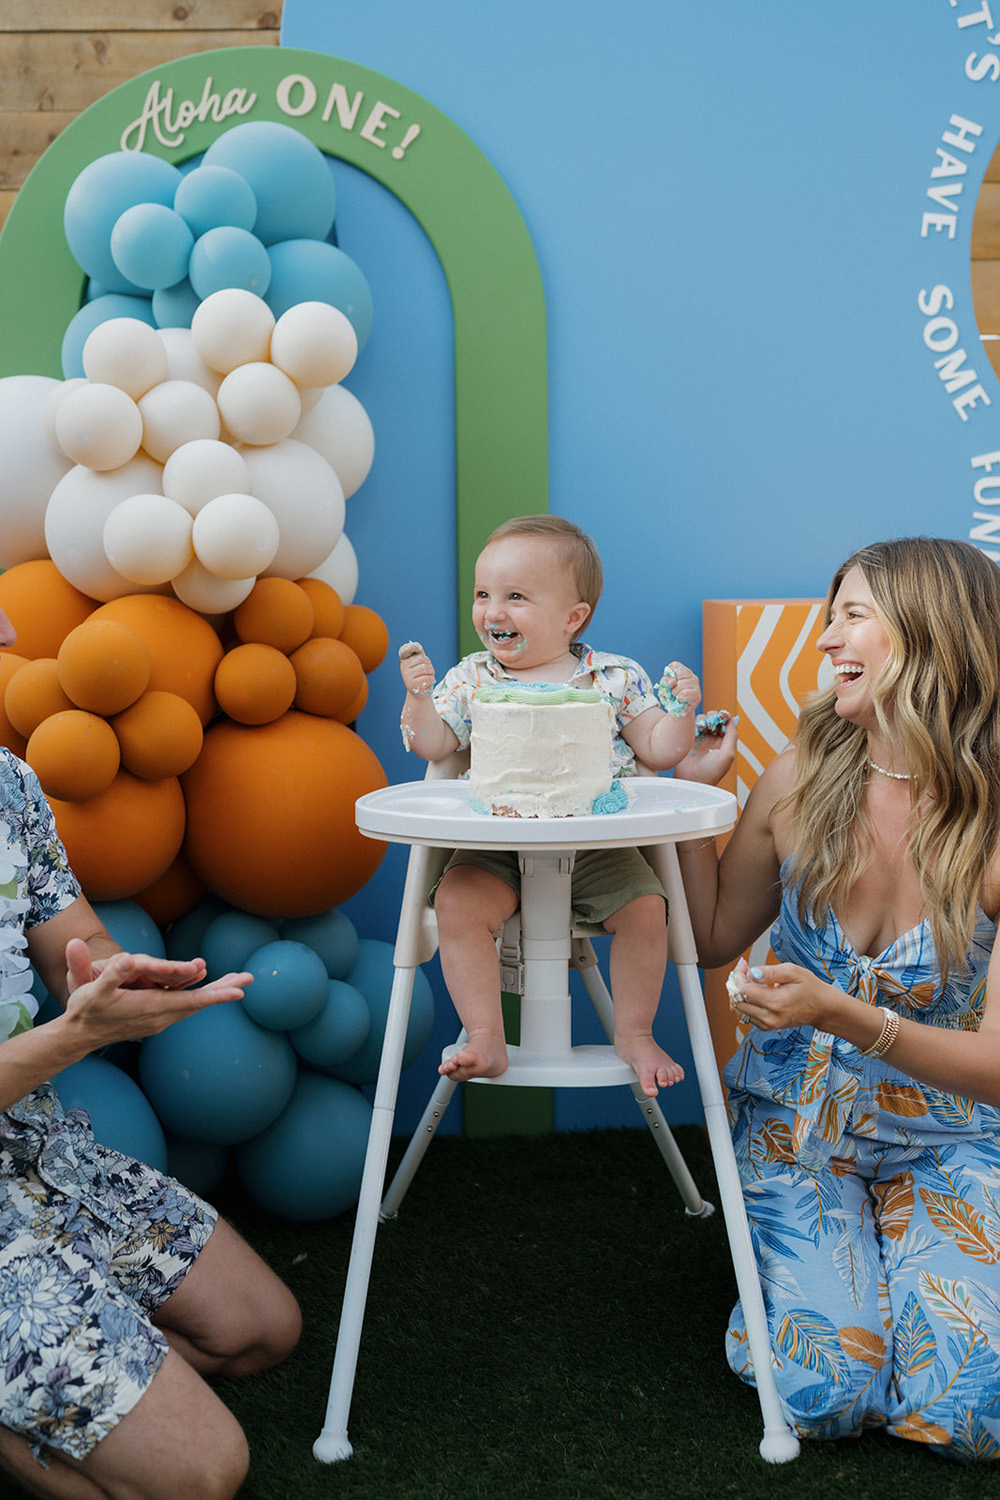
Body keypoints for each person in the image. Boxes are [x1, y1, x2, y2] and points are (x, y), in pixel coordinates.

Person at [675, 536, 1000, 1463]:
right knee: (826, 1390)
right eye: (829, 617)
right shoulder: (798, 777)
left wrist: (842, 1013)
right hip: (794, 1122)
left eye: (852, 614)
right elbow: (709, 939)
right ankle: (836, 1289)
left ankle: (906, 1278)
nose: (826, 640)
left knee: (968, 1416)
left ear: (934, 632)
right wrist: (696, 805)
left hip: (953, 1134)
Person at [0, 592, 301, 1499]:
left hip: (33, 1147)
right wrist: (73, 1036)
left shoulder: (7, 784)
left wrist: (114, 980)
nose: (10, 634)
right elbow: (63, 1034)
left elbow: (72, 940)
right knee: (202, 1474)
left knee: (259, 1330)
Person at [399, 513, 701, 1097]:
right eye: (483, 594)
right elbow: (434, 745)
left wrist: (681, 711)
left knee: (646, 910)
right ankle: (486, 1034)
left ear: (573, 617)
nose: (493, 611)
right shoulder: (473, 679)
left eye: (516, 597)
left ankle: (634, 1032)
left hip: (594, 844)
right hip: (498, 845)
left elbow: (658, 749)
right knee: (458, 900)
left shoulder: (611, 678)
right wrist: (419, 697)